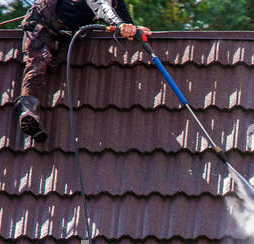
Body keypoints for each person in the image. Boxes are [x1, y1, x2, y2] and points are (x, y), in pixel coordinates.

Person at [16, 0, 152, 142]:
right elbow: (101, 6)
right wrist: (119, 25)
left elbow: (120, 12)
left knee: (55, 67)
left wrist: (133, 28)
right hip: (42, 24)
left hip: (66, 33)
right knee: (38, 65)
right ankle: (27, 111)